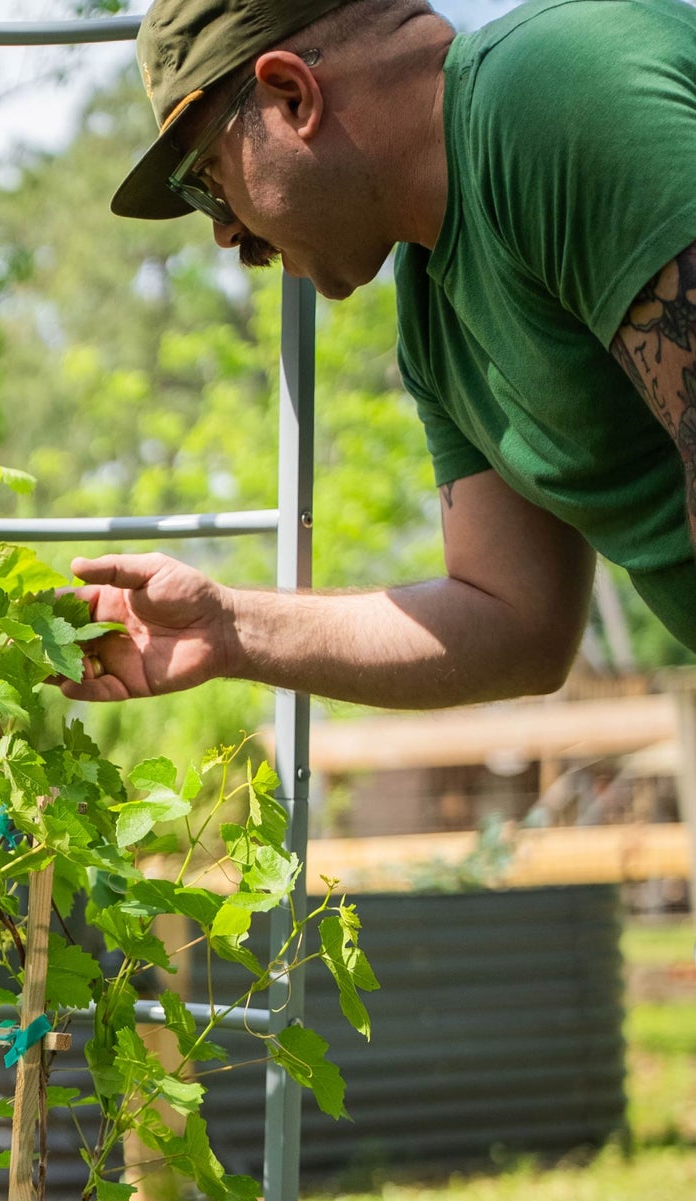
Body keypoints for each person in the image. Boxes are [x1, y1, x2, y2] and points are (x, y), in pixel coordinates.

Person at [62, 0, 696, 711]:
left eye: (207, 181)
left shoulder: (554, 96)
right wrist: (230, 627)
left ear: (292, 95)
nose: (223, 233)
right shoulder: (437, 318)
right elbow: (519, 621)